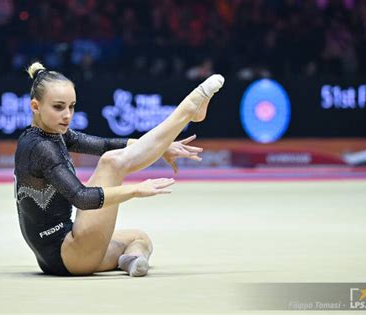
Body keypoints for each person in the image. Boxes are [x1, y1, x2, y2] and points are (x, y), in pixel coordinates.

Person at [14, 61, 224, 277]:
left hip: (57, 258)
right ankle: (188, 111)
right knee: (111, 163)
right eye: (59, 107)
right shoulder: (42, 148)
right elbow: (81, 197)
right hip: (68, 254)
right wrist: (135, 191)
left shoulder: (45, 135)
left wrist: (161, 148)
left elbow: (105, 144)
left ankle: (132, 261)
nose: (67, 115)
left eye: (72, 106)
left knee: (138, 238)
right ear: (35, 106)